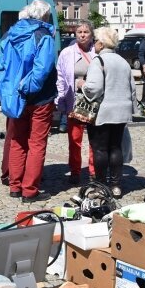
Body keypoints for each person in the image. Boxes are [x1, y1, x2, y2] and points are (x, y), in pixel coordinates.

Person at [0, 0, 58, 203]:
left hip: (15, 97)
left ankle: (15, 186)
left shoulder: (10, 34)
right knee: (37, 143)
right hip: (38, 97)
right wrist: (27, 88)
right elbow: (42, 69)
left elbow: (1, 67)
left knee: (17, 140)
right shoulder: (43, 36)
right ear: (44, 16)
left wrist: (10, 91)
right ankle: (29, 190)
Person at [82, 27, 136, 198]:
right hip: (121, 110)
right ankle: (116, 185)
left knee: (100, 150)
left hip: (104, 111)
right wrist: (132, 109)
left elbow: (95, 88)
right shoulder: (123, 61)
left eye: (95, 41)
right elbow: (132, 88)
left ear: (100, 43)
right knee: (116, 147)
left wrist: (81, 85)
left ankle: (101, 186)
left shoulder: (98, 61)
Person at [55, 19, 96, 185]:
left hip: (94, 102)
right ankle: (75, 170)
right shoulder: (67, 53)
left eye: (86, 32)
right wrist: (60, 99)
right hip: (74, 101)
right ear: (75, 34)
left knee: (95, 139)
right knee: (74, 139)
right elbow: (60, 77)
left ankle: (94, 171)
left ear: (92, 34)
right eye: (79, 32)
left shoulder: (98, 52)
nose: (82, 35)